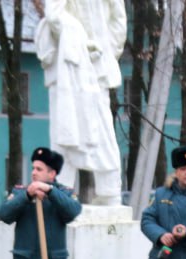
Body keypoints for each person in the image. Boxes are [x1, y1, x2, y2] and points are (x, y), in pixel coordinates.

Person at [35, 0, 125, 204]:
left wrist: (102, 53)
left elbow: (118, 23)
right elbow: (54, 15)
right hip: (71, 63)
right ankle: (62, 190)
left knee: (95, 129)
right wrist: (85, 43)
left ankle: (107, 191)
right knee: (69, 129)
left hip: (88, 63)